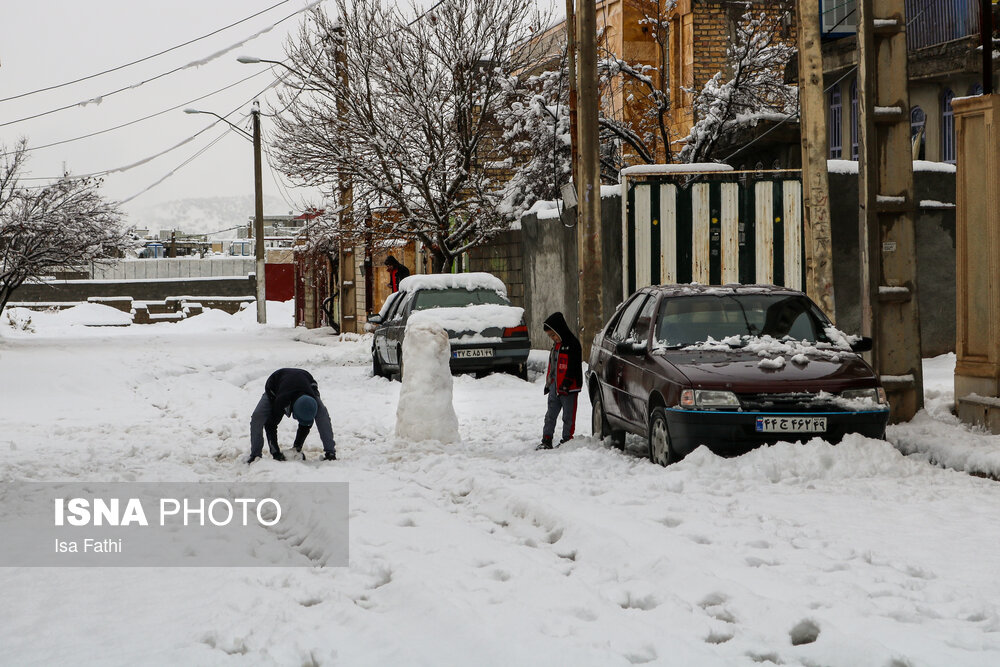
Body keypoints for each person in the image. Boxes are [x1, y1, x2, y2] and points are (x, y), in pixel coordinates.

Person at [248, 368, 337, 464]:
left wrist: (297, 447)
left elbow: (306, 423)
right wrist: (275, 453)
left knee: (323, 415)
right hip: (275, 385)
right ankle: (255, 455)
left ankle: (330, 452)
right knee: (257, 417)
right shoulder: (281, 401)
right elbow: (270, 425)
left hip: (307, 383)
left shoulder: (311, 401)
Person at [537, 312, 583, 450]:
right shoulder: (556, 347)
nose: (553, 338)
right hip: (555, 387)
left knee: (568, 416)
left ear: (560, 330)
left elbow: (574, 367)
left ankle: (567, 439)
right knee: (550, 415)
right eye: (550, 336)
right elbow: (553, 366)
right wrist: (549, 383)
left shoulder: (573, 344)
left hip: (569, 389)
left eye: (553, 335)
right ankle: (546, 439)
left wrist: (567, 383)